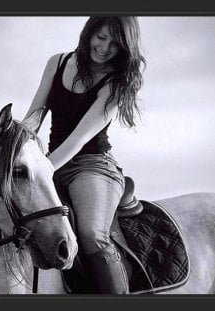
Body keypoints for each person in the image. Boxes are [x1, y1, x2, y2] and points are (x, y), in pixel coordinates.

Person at [23, 16, 145, 294]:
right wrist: (13, 148)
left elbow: (79, 139)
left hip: (93, 166)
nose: (104, 48)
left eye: (115, 44)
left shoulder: (117, 83)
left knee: (91, 234)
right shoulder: (57, 62)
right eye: (101, 37)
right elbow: (34, 117)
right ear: (89, 33)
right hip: (50, 161)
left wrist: (42, 169)